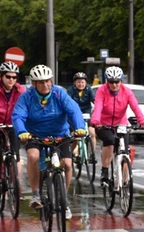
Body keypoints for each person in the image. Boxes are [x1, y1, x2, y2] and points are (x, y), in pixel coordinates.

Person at [12, 64, 87, 220]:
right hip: (35, 135)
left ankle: (63, 201)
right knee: (33, 157)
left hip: (60, 135)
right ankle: (35, 195)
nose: (45, 85)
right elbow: (18, 116)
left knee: (66, 164)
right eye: (41, 82)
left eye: (48, 81)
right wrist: (22, 132)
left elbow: (73, 110)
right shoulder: (26, 97)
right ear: (33, 84)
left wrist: (80, 127)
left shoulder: (59, 94)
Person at [90, 66, 144, 185]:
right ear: (107, 81)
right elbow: (98, 106)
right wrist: (96, 120)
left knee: (125, 150)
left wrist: (142, 121)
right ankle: (105, 171)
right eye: (111, 82)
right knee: (110, 141)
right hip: (103, 124)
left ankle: (125, 176)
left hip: (121, 123)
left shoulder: (127, 92)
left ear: (121, 81)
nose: (114, 84)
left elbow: (135, 107)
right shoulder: (102, 91)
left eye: (117, 81)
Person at [66, 71, 97, 148]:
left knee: (92, 133)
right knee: (76, 136)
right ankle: (72, 154)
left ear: (86, 83)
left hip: (86, 114)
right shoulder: (70, 90)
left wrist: (97, 109)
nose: (81, 84)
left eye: (82, 82)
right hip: (74, 115)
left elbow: (95, 100)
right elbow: (67, 102)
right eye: (78, 82)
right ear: (74, 83)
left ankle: (92, 155)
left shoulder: (89, 89)